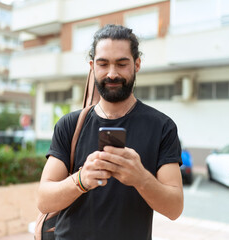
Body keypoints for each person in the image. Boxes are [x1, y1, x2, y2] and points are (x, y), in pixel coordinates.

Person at [37, 24, 184, 240]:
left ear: (137, 64)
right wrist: (81, 180)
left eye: (122, 64)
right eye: (103, 64)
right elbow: (43, 200)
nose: (112, 74)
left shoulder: (162, 127)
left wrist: (141, 178)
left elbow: (174, 208)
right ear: (92, 66)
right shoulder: (69, 124)